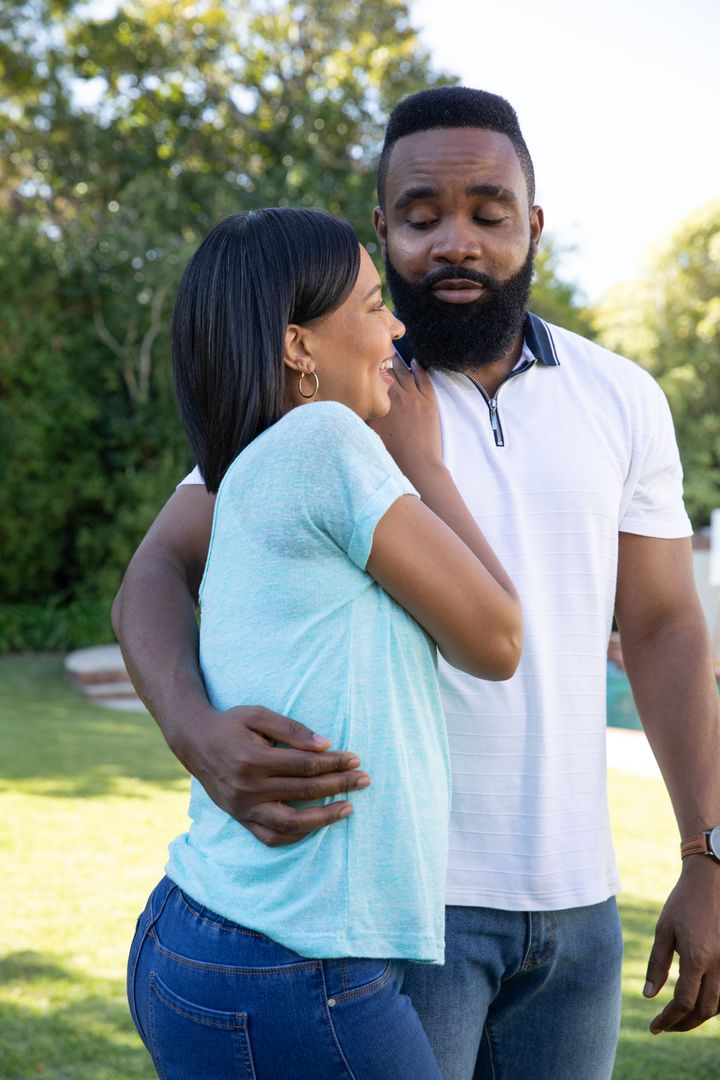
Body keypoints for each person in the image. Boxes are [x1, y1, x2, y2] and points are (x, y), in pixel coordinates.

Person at [114, 88, 720, 1080]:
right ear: (383, 227)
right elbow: (157, 570)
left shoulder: (622, 397)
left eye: (487, 212)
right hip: (395, 916)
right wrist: (193, 729)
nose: (455, 241)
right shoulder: (334, 402)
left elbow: (661, 628)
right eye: (421, 215)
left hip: (578, 917)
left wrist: (708, 853)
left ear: (532, 224)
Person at [125, 205, 522, 1080]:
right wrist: (425, 463)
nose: (399, 327)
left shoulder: (255, 461)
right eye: (376, 305)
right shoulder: (326, 440)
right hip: (295, 963)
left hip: (213, 933)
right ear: (299, 346)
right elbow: (496, 637)